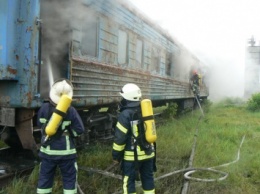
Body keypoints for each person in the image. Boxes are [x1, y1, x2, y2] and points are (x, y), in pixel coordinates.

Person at [37, 79, 85, 194]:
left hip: (48, 153)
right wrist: (69, 133)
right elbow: (80, 130)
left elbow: (39, 124)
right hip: (66, 154)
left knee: (44, 180)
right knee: (69, 180)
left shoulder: (44, 108)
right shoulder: (71, 111)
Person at [112, 83, 156, 194]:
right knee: (148, 179)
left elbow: (119, 139)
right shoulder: (145, 110)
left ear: (126, 99)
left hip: (132, 157)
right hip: (149, 153)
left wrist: (116, 156)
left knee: (129, 182)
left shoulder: (125, 114)